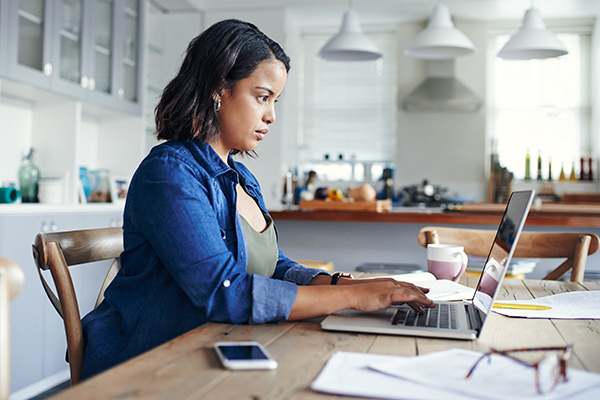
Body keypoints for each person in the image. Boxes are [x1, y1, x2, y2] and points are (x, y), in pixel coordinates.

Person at [80, 19, 434, 380]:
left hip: (218, 346)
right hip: (149, 363)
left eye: (275, 100)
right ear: (219, 89)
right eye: (262, 97)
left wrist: (353, 285)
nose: (271, 116)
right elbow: (224, 291)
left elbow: (273, 266)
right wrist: (351, 299)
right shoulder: (169, 173)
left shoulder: (241, 178)